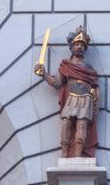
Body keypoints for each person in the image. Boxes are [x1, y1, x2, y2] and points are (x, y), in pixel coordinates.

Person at [35, 26, 101, 157]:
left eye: (82, 45)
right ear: (71, 47)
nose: (79, 47)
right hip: (71, 99)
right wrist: (44, 75)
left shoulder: (88, 67)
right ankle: (65, 155)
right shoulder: (66, 66)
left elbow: (95, 85)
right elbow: (57, 83)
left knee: (82, 127)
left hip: (85, 99)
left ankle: (77, 156)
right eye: (76, 44)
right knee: (66, 124)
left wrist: (97, 100)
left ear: (85, 49)